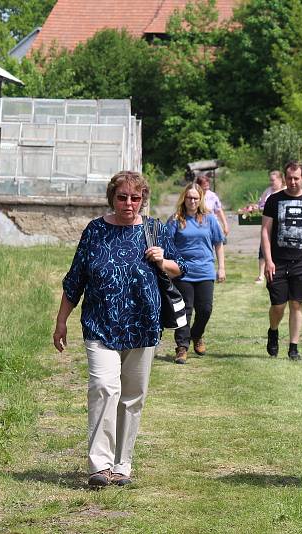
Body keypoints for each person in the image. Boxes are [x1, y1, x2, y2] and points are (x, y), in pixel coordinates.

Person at [52, 170, 186, 488]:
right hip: (100, 325)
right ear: (112, 198)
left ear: (143, 199)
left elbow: (181, 268)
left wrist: (162, 261)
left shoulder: (155, 229)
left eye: (135, 198)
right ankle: (99, 465)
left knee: (131, 398)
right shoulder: (95, 231)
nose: (129, 203)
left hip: (143, 326)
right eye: (123, 197)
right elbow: (75, 279)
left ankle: (122, 463)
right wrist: (61, 321)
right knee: (103, 388)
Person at [260, 161, 302, 360]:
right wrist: (268, 260)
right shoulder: (274, 200)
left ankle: (293, 347)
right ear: (285, 179)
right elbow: (265, 231)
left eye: (296, 178)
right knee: (278, 305)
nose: (293, 182)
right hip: (278, 262)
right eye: (289, 178)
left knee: (297, 304)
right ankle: (273, 330)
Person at [167, 183, 226, 364]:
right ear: (184, 198)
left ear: (200, 199)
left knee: (206, 309)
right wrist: (168, 269)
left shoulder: (209, 219)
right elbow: (167, 246)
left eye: (195, 197)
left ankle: (197, 335)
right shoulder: (175, 219)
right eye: (189, 197)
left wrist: (221, 267)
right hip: (183, 272)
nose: (192, 201)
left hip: (205, 271)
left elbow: (218, 243)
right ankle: (182, 347)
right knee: (185, 310)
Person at [256, 170, 285, 283]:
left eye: (273, 180)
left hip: (280, 226)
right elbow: (260, 204)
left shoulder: (285, 191)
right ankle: (261, 275)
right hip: (268, 223)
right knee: (263, 248)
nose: (271, 183)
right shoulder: (267, 191)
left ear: (280, 180)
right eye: (270, 180)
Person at [196, 172, 230, 239]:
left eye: (207, 185)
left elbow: (219, 210)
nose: (206, 187)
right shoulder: (194, 196)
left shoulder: (212, 196)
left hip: (212, 224)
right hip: (198, 225)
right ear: (199, 186)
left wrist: (225, 225)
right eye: (204, 186)